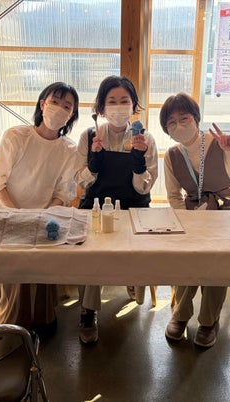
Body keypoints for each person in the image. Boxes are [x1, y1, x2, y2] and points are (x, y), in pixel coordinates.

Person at [159, 92, 230, 348]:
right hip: (191, 218)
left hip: (226, 217)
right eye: (171, 122)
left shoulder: (221, 144)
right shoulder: (172, 155)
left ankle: (209, 321)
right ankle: (180, 314)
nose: (178, 125)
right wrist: (188, 223)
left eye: (184, 118)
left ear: (196, 118)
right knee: (184, 259)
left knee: (217, 261)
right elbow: (174, 196)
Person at [0, 82, 80, 341]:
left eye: (67, 106)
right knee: (15, 270)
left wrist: (44, 216)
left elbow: (64, 191)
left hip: (45, 219)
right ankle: (11, 323)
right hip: (7, 216)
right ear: (42, 104)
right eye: (55, 102)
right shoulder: (16, 136)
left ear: (71, 115)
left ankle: (44, 317)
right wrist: (18, 216)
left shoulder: (69, 149)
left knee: (44, 267)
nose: (59, 109)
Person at [74, 75, 158, 343]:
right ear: (101, 106)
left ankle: (133, 280)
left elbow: (144, 189)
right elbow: (80, 181)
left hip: (134, 208)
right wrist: (94, 164)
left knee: (137, 251)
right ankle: (88, 311)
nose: (118, 106)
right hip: (96, 207)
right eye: (112, 101)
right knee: (90, 256)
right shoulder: (89, 136)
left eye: (124, 100)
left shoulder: (145, 139)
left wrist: (139, 163)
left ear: (133, 105)